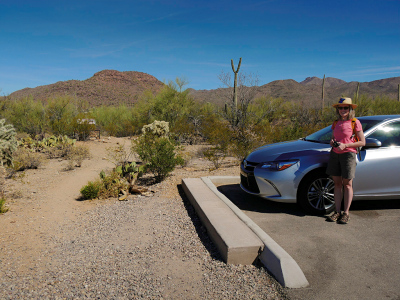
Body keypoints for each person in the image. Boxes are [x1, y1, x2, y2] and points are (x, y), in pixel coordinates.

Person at [326, 97, 365, 224]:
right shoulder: (336, 122)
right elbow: (333, 138)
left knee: (347, 184)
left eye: (345, 108)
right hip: (335, 154)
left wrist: (346, 145)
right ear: (337, 109)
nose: (343, 110)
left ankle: (346, 213)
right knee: (337, 184)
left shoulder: (355, 122)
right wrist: (332, 142)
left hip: (348, 155)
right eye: (340, 108)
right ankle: (337, 211)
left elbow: (362, 142)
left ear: (350, 109)